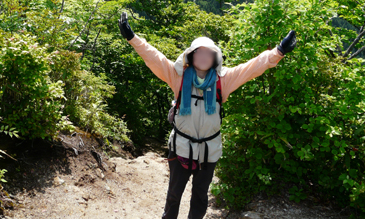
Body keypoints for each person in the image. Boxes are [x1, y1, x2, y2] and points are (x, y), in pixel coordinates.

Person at [118, 12, 297, 219]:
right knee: (174, 195)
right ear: (191, 55)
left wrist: (278, 52)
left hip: (209, 151)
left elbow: (252, 68)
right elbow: (154, 57)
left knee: (200, 197)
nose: (203, 57)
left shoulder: (224, 80)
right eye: (199, 52)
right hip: (181, 147)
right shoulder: (177, 76)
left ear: (215, 58)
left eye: (209, 53)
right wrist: (132, 38)